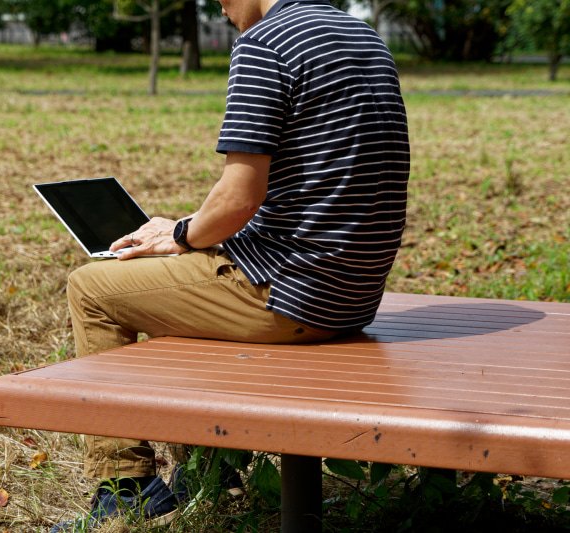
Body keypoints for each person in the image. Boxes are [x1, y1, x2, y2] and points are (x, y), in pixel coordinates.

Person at [53, 0, 410, 530]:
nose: (217, 5)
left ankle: (125, 490)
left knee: (91, 288)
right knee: (178, 271)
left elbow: (240, 197)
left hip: (286, 294)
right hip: (351, 296)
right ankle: (210, 469)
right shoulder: (362, 36)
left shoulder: (266, 42)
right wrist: (190, 233)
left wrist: (180, 234)